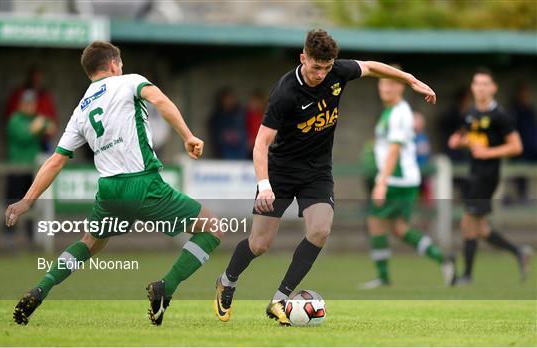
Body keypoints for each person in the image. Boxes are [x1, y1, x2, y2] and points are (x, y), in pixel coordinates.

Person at [213, 29, 437, 325]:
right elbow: (261, 143)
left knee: (319, 230)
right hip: (280, 172)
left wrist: (410, 79)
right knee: (260, 244)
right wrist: (264, 184)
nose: (321, 74)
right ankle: (227, 281)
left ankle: (280, 299)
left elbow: (370, 66)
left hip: (317, 172)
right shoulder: (285, 92)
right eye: (316, 67)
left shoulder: (337, 72)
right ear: (303, 58)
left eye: (327, 68)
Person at [6, 41, 224, 326]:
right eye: (120, 64)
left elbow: (55, 161)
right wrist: (187, 136)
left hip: (109, 191)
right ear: (113, 65)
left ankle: (41, 288)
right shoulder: (129, 82)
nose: (121, 68)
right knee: (213, 228)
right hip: (143, 184)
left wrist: (27, 201)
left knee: (90, 242)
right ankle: (165, 288)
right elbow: (160, 101)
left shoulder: (81, 109)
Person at [359, 69, 455, 289]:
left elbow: (394, 149)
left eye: (391, 85)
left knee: (375, 223)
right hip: (401, 179)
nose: (385, 88)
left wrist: (381, 183)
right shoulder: (390, 111)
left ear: (401, 86)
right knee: (399, 227)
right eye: (382, 84)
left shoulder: (399, 112)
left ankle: (383, 278)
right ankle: (442, 258)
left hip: (396, 180)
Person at [448, 68, 531, 285]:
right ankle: (519, 252)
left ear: (493, 88)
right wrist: (462, 141)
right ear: (472, 88)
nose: (481, 88)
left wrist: (488, 152)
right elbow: (457, 139)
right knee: (481, 228)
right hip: (474, 173)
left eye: (485, 84)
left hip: (488, 175)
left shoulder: (500, 116)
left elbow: (516, 146)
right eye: (477, 84)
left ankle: (466, 276)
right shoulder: (472, 112)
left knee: (468, 222)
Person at [5, 90, 56, 245]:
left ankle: (30, 237)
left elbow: (51, 127)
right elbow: (24, 136)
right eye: (27, 103)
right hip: (16, 168)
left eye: (32, 103)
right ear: (21, 104)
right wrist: (36, 127)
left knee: (30, 203)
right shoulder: (15, 119)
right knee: (12, 201)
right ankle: (9, 236)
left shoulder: (36, 118)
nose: (30, 106)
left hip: (32, 169)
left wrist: (42, 125)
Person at [209, 87, 248, 159]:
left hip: (240, 150)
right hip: (225, 151)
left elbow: (244, 132)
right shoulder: (217, 117)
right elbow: (216, 137)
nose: (230, 101)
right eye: (227, 99)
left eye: (231, 98)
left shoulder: (240, 114)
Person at [245, 90, 267, 158]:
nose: (255, 105)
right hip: (250, 148)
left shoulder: (267, 116)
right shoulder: (247, 116)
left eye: (257, 102)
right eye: (253, 102)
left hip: (263, 147)